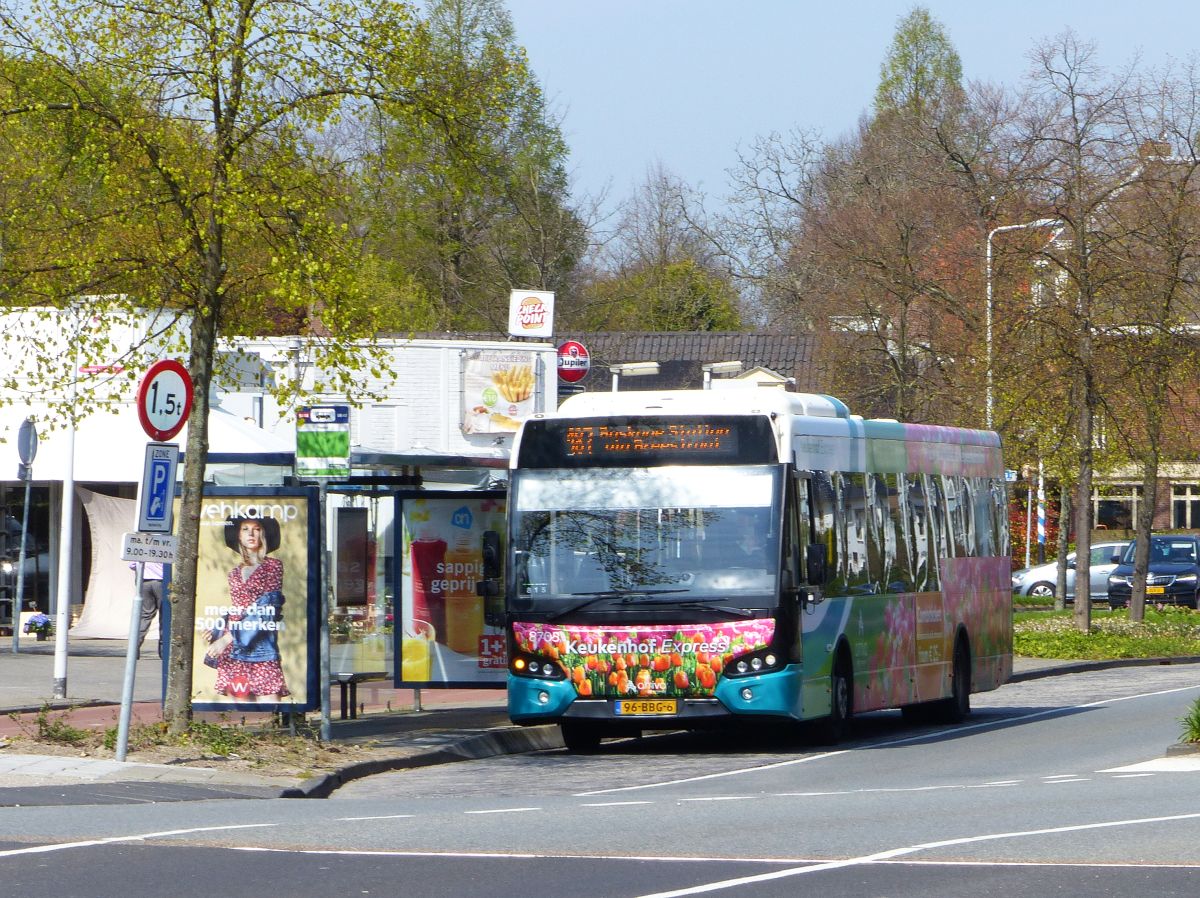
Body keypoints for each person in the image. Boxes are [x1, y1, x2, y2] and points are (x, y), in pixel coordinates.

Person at [203, 515, 289, 702]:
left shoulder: (272, 566)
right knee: (242, 712)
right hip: (233, 649)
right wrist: (217, 627)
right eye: (245, 529)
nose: (251, 533)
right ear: (238, 536)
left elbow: (267, 609)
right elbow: (237, 609)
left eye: (256, 529)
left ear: (263, 534)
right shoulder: (234, 572)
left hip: (260, 645)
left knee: (269, 707)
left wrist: (226, 639)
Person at [128, 560, 165, 657]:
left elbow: (132, 565)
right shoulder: (163, 546)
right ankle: (163, 650)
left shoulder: (140, 546)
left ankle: (134, 648)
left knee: (145, 616)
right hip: (161, 581)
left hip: (144, 582)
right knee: (164, 617)